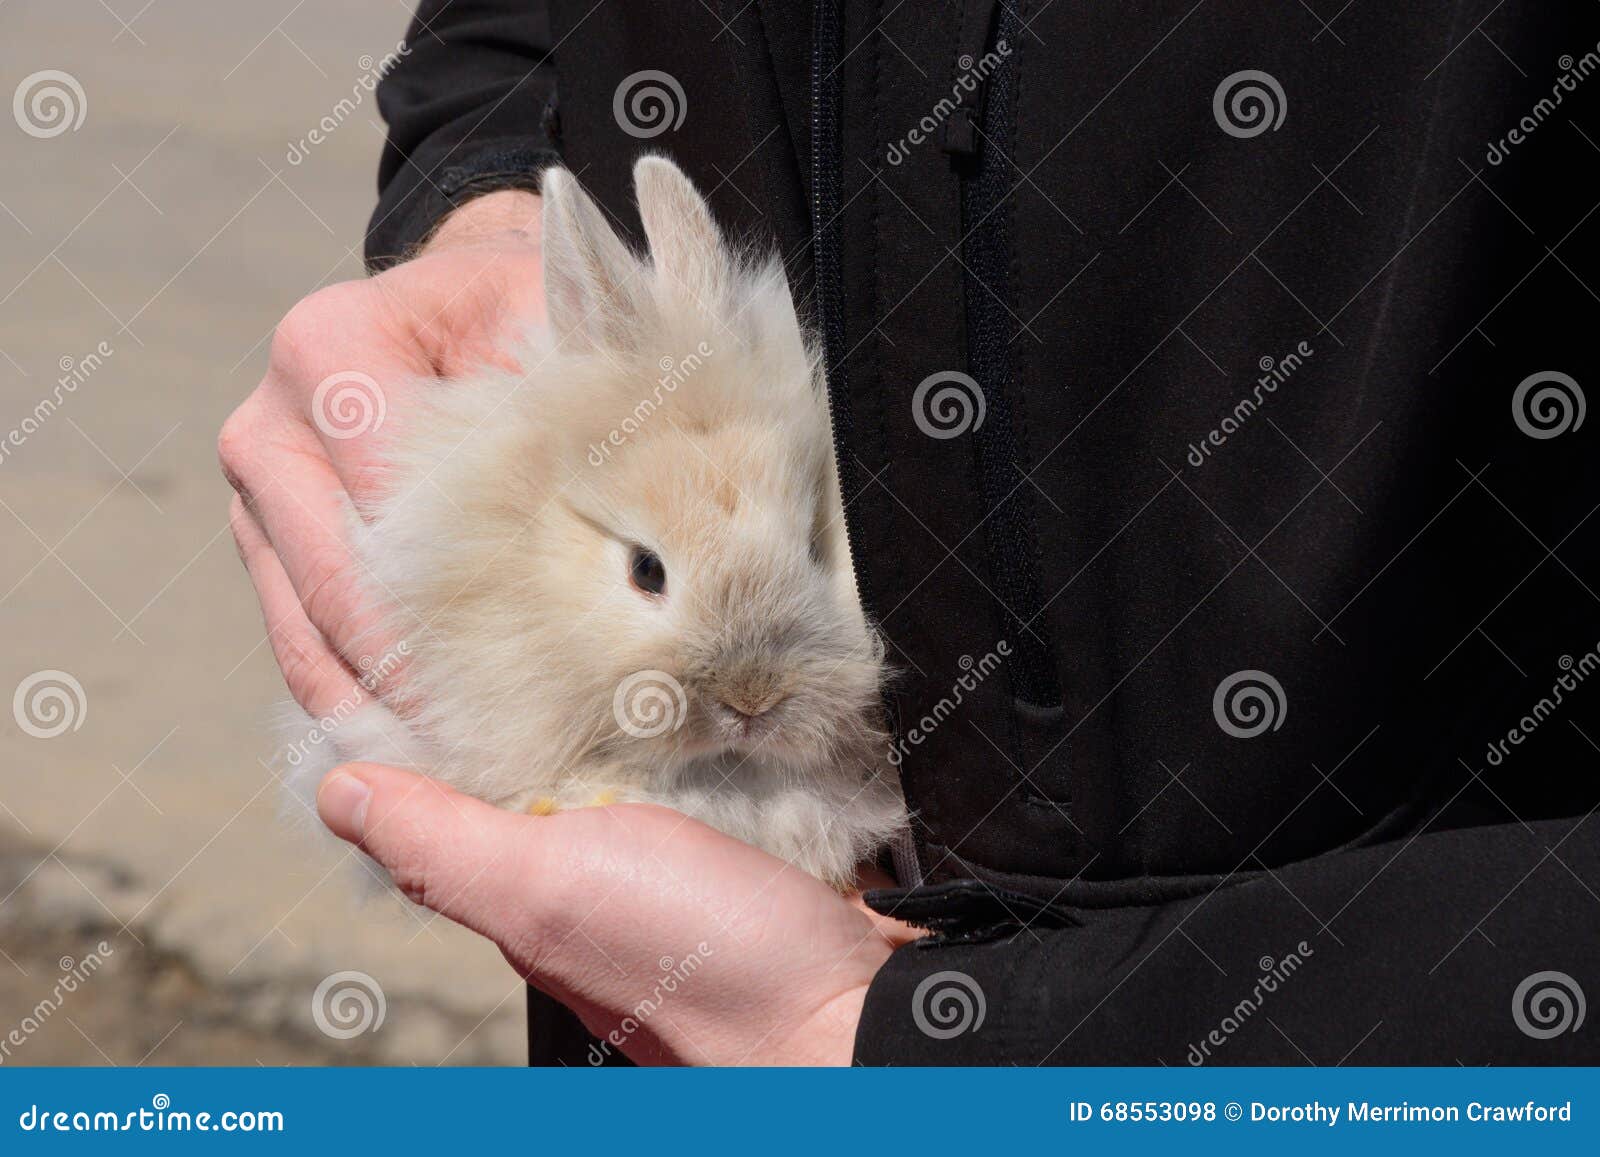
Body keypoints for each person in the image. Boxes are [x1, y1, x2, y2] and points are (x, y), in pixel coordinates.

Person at [220, 2, 1600, 1064]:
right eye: (647, 572)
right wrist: (487, 194)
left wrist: (924, 1049)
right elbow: (511, 23)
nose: (745, 681)